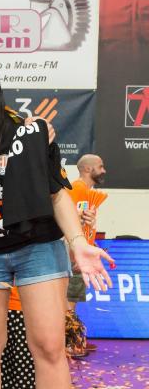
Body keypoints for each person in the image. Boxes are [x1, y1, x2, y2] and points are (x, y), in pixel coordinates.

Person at [0, 52, 114, 389]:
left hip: (37, 245)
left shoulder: (24, 131)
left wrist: (78, 243)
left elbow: (56, 194)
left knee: (48, 345)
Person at [65, 153, 107, 357]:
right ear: (88, 169)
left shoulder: (85, 192)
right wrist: (73, 256)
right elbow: (68, 225)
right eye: (101, 166)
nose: (104, 170)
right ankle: (68, 344)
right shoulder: (78, 190)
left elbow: (83, 227)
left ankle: (73, 341)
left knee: (72, 302)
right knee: (69, 303)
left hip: (81, 257)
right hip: (74, 258)